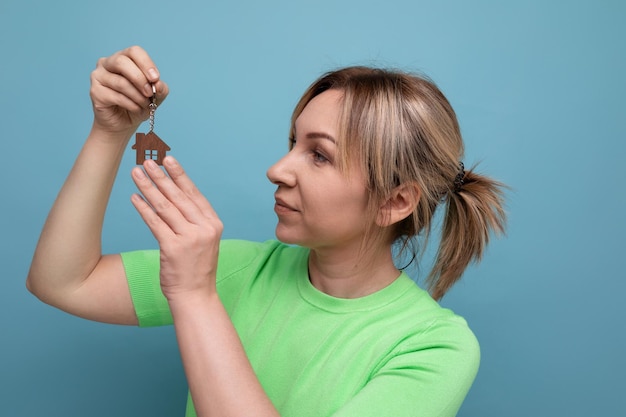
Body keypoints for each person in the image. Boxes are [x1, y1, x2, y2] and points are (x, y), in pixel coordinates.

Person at [27, 46, 506, 417]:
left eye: (318, 154)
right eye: (293, 143)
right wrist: (109, 132)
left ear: (394, 201)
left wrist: (194, 295)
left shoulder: (434, 348)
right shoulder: (240, 270)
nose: (277, 169)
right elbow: (63, 281)